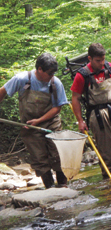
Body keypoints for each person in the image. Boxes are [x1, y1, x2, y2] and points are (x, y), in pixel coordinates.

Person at [0, 53, 68, 188]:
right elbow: (2, 92)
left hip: (51, 123)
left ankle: (63, 185)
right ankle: (50, 188)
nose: (52, 76)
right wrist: (34, 122)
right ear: (40, 69)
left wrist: (39, 120)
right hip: (29, 126)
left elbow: (57, 108)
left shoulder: (55, 83)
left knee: (58, 154)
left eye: (54, 72)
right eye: (49, 73)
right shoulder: (22, 80)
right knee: (39, 159)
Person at [71, 43, 111, 179]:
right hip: (97, 115)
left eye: (103, 59)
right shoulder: (82, 75)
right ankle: (110, 181)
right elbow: (75, 98)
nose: (101, 63)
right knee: (106, 152)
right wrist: (80, 121)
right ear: (90, 58)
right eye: (98, 60)